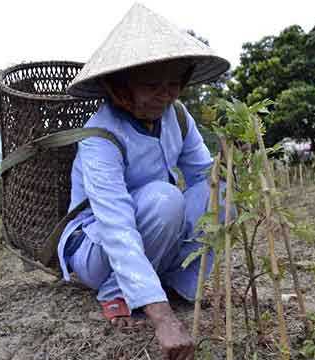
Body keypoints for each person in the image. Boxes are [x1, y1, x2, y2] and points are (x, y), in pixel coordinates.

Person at [57, 3, 230, 360]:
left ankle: (179, 286)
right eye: (151, 85)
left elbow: (202, 176)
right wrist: (162, 319)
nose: (164, 96)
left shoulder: (177, 117)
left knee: (221, 190)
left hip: (154, 230)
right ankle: (115, 291)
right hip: (96, 245)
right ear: (120, 87)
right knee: (165, 200)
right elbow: (116, 224)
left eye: (173, 85)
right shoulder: (99, 138)